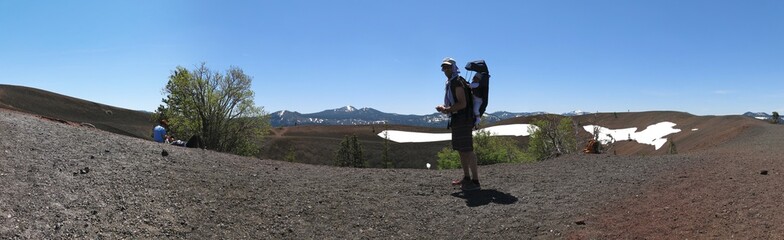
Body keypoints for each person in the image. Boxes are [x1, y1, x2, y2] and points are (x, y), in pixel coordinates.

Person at [435, 57, 481, 191]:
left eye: (448, 67)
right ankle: (467, 178)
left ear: (454, 67)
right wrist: (445, 107)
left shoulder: (457, 82)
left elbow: (462, 103)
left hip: (463, 119)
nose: (446, 69)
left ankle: (475, 182)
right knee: (462, 150)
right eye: (444, 67)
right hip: (458, 119)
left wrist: (447, 109)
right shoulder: (452, 82)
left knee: (467, 150)